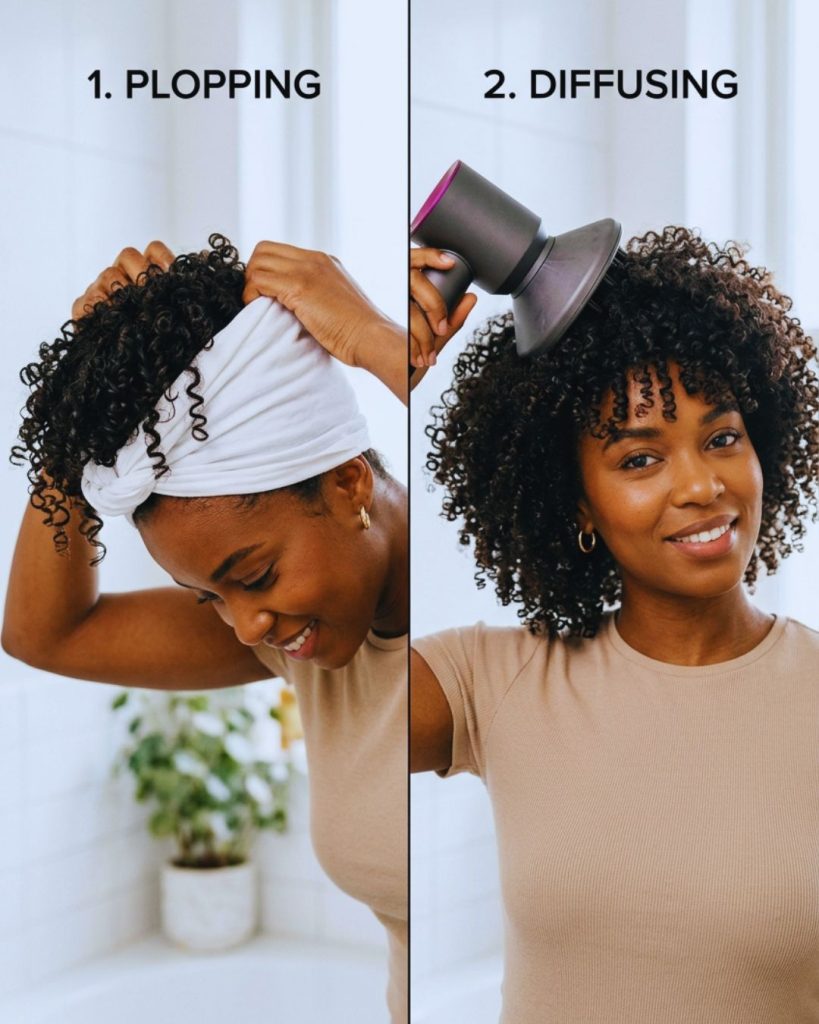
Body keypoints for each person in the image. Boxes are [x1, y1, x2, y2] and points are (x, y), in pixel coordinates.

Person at [409, 226, 819, 1023]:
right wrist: (385, 368)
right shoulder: (493, 683)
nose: (701, 485)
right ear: (575, 503)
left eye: (722, 438)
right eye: (639, 458)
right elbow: (310, 650)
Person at [3, 234, 408, 1023]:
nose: (248, 622)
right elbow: (46, 633)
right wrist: (83, 412)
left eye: (253, 576)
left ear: (347, 482)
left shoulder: (512, 591)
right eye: (208, 598)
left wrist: (373, 340)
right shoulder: (304, 647)